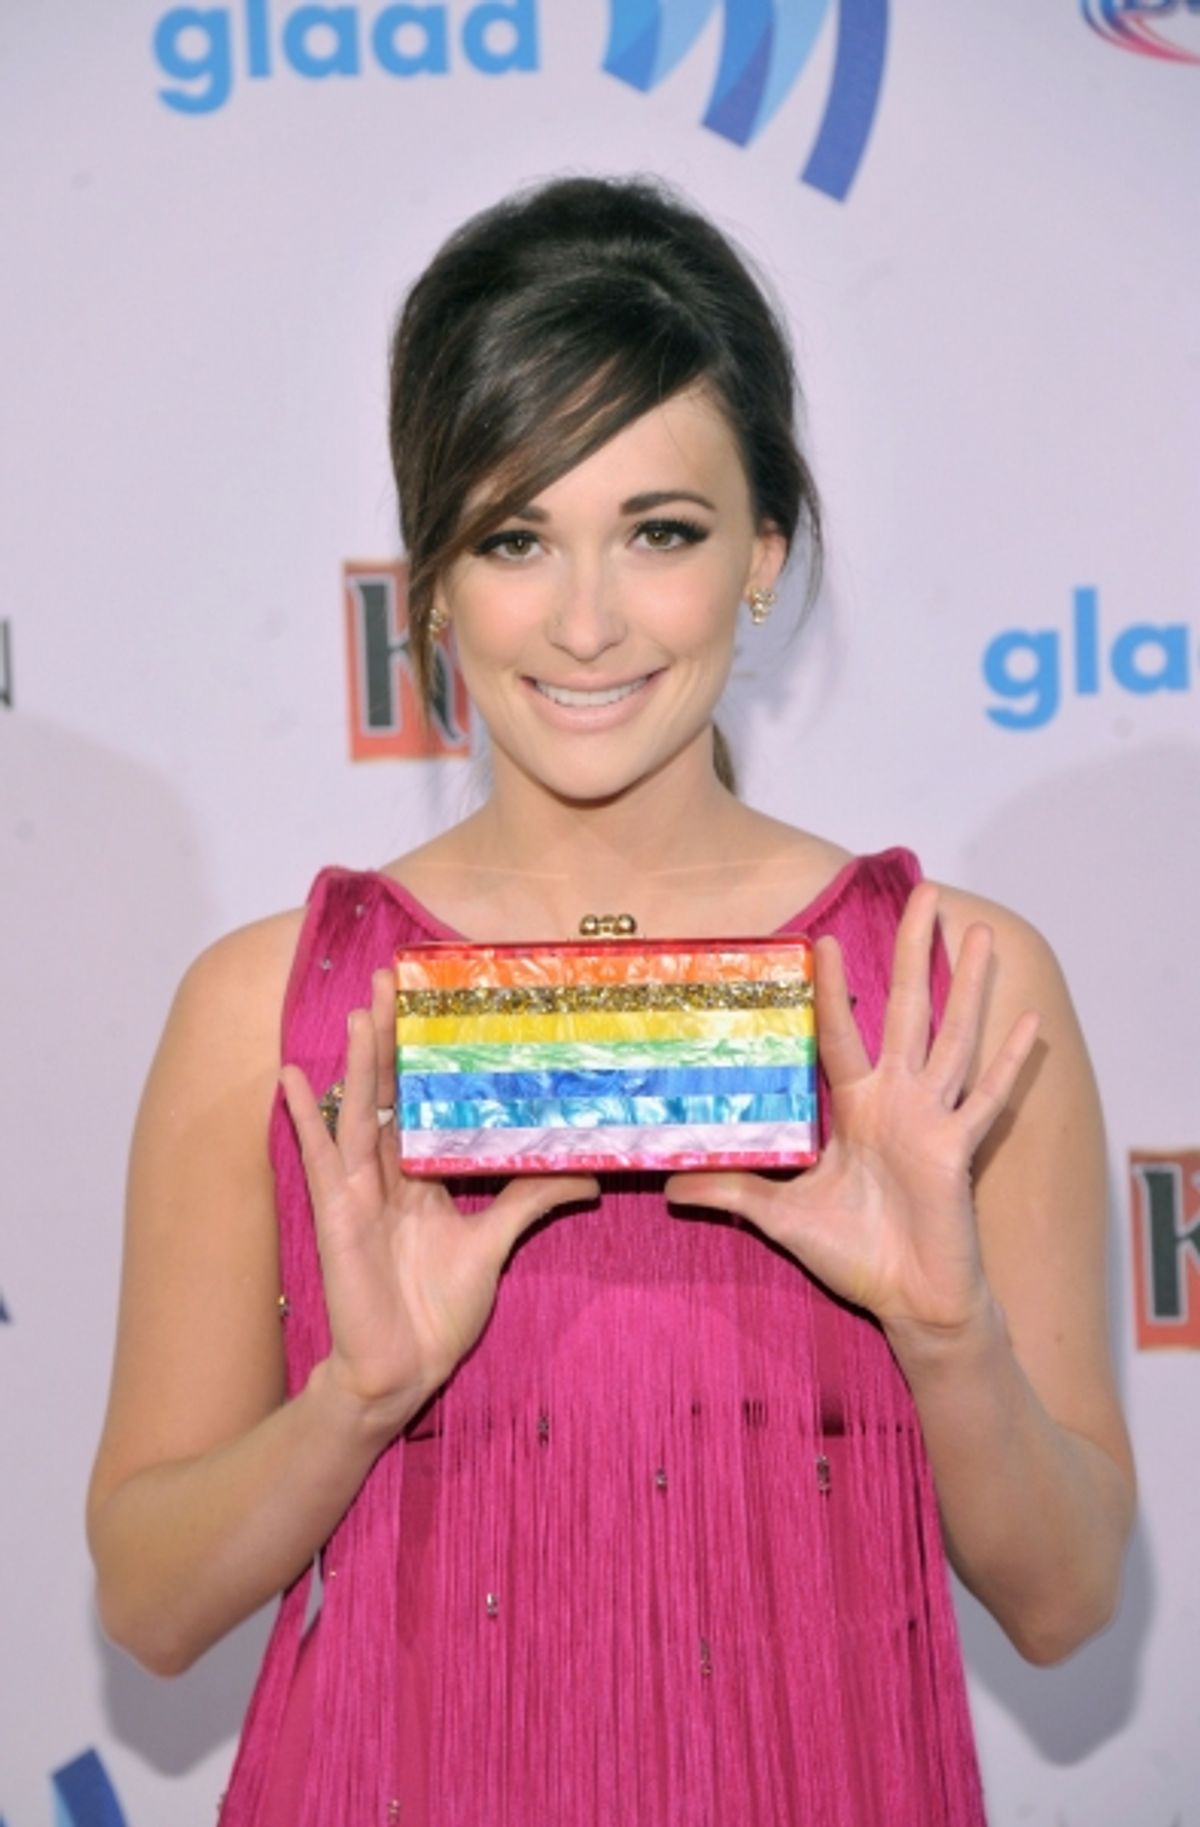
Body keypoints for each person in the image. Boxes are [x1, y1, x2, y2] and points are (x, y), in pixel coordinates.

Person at [87, 175, 1134, 1826]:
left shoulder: (952, 991)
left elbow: (1069, 1604)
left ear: (767, 553)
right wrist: (356, 1402)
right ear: (430, 580)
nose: (585, 622)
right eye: (516, 535)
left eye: (662, 531)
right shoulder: (266, 1013)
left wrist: (950, 1335)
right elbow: (147, 1609)